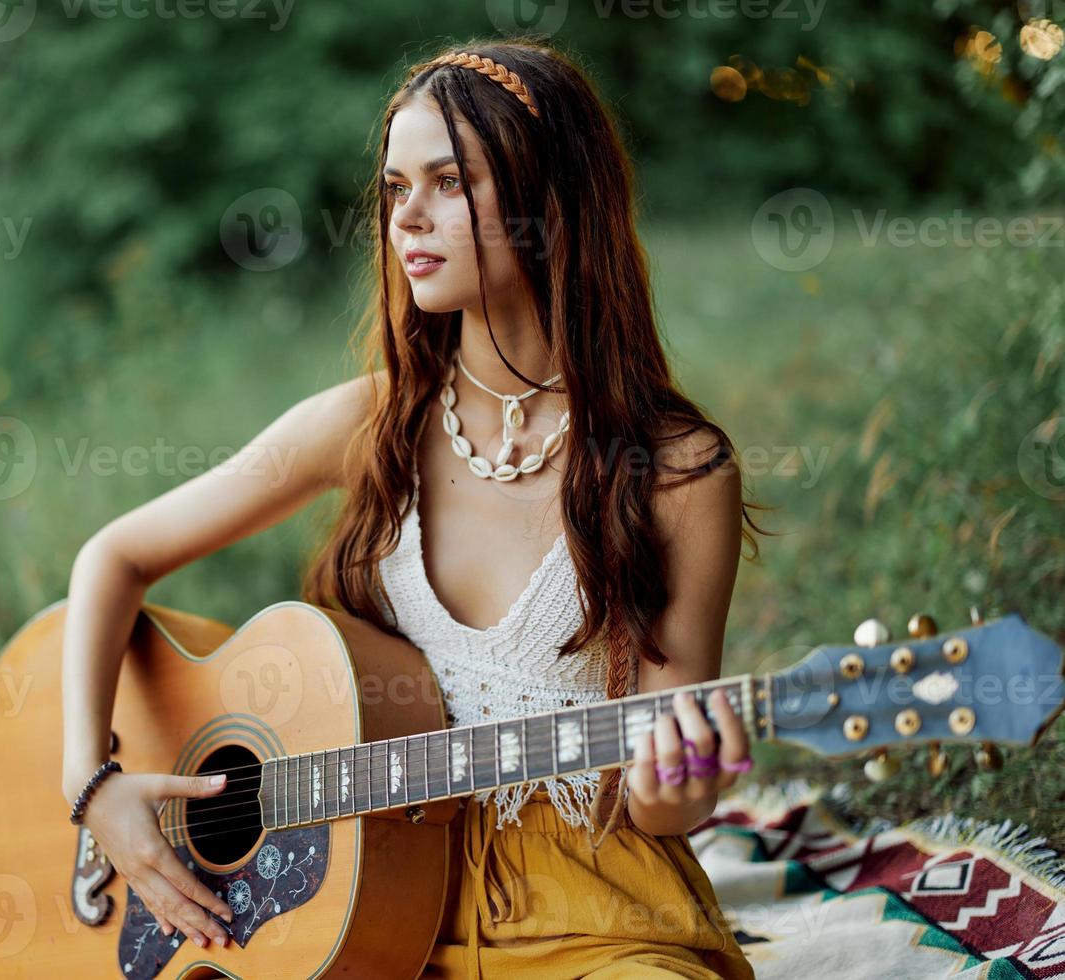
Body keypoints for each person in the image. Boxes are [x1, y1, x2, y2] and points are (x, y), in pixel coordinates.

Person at [60, 37, 764, 979]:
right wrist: (91, 781)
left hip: (593, 915)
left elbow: (659, 809)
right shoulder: (368, 424)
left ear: (551, 203)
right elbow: (114, 557)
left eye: (448, 182)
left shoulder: (675, 473)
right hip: (366, 907)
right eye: (396, 189)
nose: (407, 219)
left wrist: (689, 777)